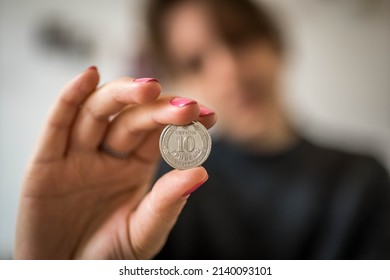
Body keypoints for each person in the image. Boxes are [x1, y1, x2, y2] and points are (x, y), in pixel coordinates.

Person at [14, 0, 390, 259]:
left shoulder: (362, 178)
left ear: (275, 44)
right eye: (195, 62)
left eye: (239, 39)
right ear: (177, 79)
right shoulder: (150, 190)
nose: (228, 68)